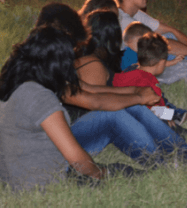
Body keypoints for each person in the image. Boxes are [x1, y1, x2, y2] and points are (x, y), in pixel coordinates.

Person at [35, 3, 187, 165]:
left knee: (134, 106)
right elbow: (96, 102)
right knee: (118, 112)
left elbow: (92, 90)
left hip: (71, 130)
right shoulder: (76, 64)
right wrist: (137, 97)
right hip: (62, 138)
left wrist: (136, 92)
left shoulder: (62, 60)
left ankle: (183, 153)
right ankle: (161, 161)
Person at [0, 26, 107, 191]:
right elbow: (76, 158)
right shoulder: (37, 96)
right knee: (121, 170)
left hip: (15, 177)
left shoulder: (13, 84)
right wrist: (98, 173)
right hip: (43, 183)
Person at [114, 32, 187, 126]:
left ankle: (176, 115)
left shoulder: (130, 68)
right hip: (141, 115)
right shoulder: (151, 83)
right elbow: (156, 107)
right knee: (164, 103)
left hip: (121, 109)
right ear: (162, 63)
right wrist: (167, 118)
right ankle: (178, 116)